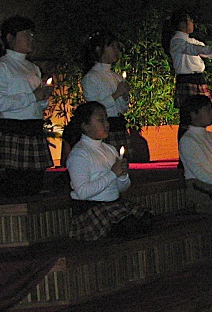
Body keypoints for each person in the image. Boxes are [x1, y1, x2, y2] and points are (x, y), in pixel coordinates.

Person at [66, 101, 153, 240]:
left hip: (113, 205)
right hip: (91, 209)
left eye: (106, 119)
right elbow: (83, 192)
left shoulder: (110, 149)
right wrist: (113, 174)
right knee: (130, 227)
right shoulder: (79, 154)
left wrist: (122, 175)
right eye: (101, 120)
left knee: (148, 219)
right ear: (85, 126)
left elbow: (122, 188)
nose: (107, 124)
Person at [0, 15, 54, 196]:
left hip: (34, 129)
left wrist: (43, 98)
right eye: (26, 34)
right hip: (14, 131)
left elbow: (37, 107)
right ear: (10, 38)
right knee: (15, 187)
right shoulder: (2, 66)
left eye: (32, 34)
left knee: (35, 186)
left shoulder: (33, 68)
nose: (31, 38)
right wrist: (33, 96)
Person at [161, 10, 212, 107]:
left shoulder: (192, 41)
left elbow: (209, 53)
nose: (192, 23)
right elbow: (193, 49)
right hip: (186, 80)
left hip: (198, 78)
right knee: (190, 111)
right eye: (190, 20)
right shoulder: (176, 41)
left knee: (203, 110)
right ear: (182, 23)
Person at [80, 30, 130, 153]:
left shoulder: (116, 76)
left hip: (119, 125)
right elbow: (93, 108)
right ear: (99, 50)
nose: (116, 50)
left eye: (117, 46)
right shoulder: (91, 77)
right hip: (104, 128)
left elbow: (123, 109)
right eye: (112, 46)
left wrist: (124, 97)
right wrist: (116, 94)